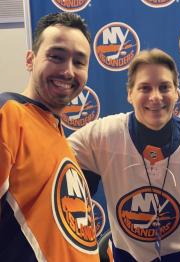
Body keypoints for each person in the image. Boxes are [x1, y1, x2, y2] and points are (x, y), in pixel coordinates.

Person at [68, 48, 180, 261]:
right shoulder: (101, 136)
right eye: (145, 87)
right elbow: (52, 161)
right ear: (130, 93)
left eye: (164, 87)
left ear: (176, 92)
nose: (155, 97)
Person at [0, 12, 100, 261]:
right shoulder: (8, 114)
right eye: (56, 57)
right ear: (30, 59)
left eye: (79, 62)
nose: (67, 71)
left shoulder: (55, 132)